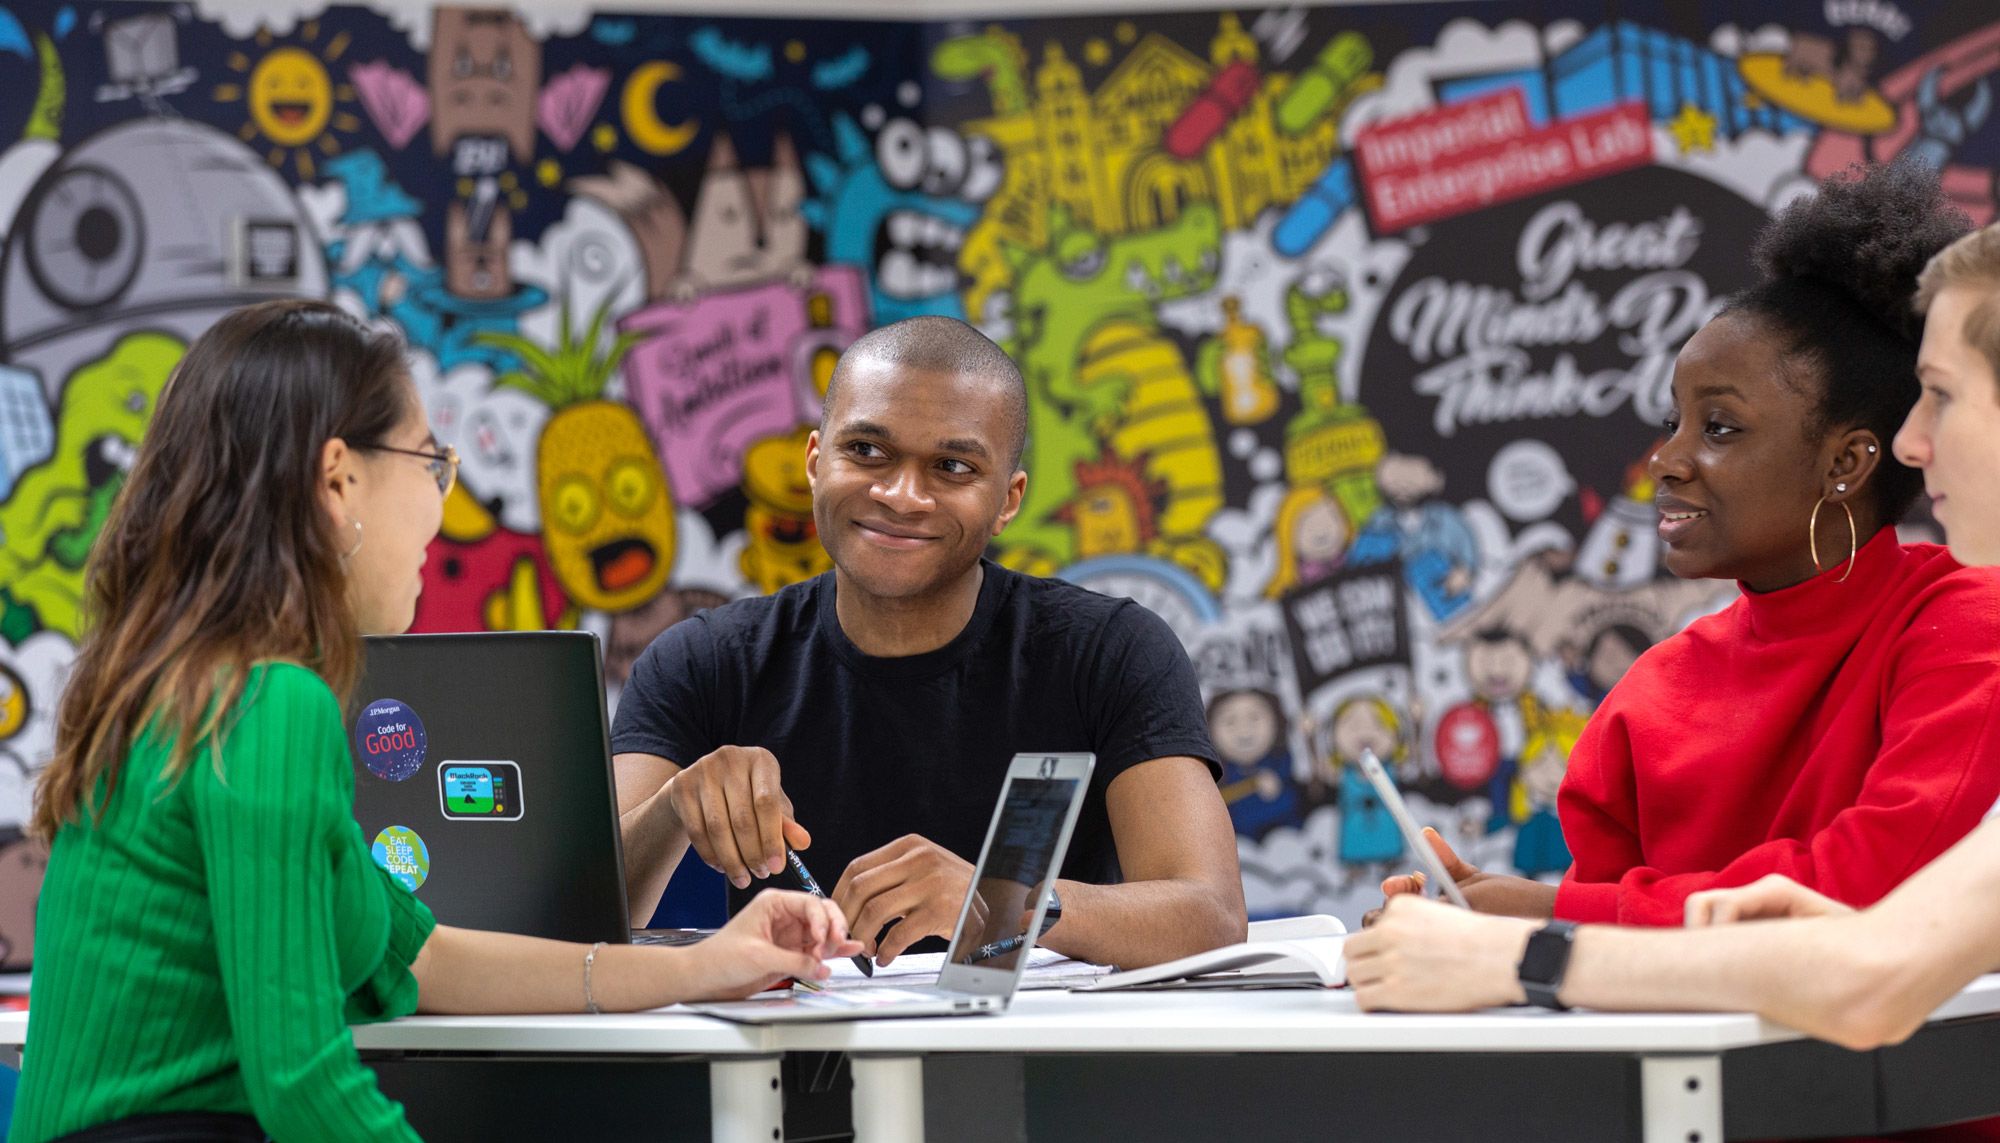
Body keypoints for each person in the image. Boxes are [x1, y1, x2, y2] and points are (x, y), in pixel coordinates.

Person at [12, 301, 858, 1143]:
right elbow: (302, 1084)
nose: (443, 504)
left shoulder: (189, 690)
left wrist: (706, 964)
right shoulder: (273, 705)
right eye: (430, 463)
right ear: (338, 478)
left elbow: (425, 957)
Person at [1345, 217, 2000, 1059]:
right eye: (1677, 421)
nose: (1666, 458)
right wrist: (1516, 916)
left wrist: (1531, 936)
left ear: (1846, 462)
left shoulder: (1963, 622)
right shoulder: (1652, 689)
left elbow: (1870, 916)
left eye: (1719, 427)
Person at [612, 316, 1246, 969]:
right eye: (865, 450)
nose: (900, 494)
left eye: (951, 466)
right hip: (792, 1060)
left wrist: (998, 901)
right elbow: (567, 920)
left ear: (1008, 499)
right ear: (813, 460)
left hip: (1046, 1062)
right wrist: (673, 808)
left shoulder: (1110, 649)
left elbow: (1211, 916)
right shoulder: (703, 661)